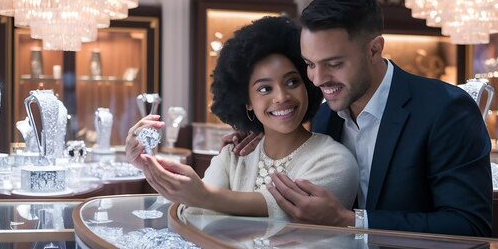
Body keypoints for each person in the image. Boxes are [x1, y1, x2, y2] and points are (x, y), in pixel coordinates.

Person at [236, 0, 493, 237]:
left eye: (334, 64)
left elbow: (469, 226)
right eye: (310, 64)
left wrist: (349, 220)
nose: (317, 79)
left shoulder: (446, 109)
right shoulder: (324, 117)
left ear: (374, 50)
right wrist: (260, 137)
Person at [125, 16, 359, 219]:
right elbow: (196, 212)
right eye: (264, 89)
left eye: (292, 82)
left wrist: (204, 196)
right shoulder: (234, 155)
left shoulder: (334, 160)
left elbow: (287, 213)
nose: (282, 97)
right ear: (246, 100)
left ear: (308, 84)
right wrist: (148, 161)